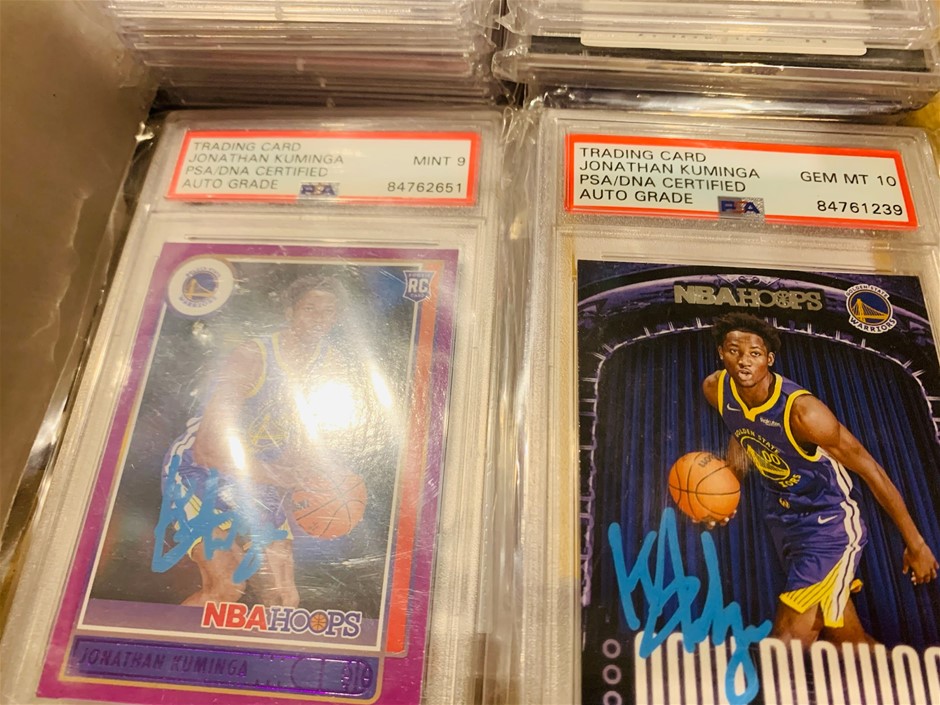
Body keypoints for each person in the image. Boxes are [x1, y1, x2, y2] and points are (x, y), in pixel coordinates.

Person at [701, 312, 938, 647]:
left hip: (829, 524)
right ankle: (913, 679)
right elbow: (741, 431)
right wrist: (724, 491)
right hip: (783, 520)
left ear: (769, 359)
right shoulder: (716, 389)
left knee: (786, 643)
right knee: (847, 642)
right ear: (720, 354)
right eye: (734, 351)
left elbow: (871, 469)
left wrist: (916, 544)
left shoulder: (804, 413)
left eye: (754, 353)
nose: (744, 361)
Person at [155, 276, 352, 608]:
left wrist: (315, 484)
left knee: (282, 597)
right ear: (290, 312)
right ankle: (163, 640)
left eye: (328, 311)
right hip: (198, 472)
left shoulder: (331, 364)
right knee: (227, 588)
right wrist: (281, 476)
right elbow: (208, 450)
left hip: (260, 473)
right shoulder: (252, 356)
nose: (319, 318)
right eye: (310, 309)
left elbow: (305, 442)